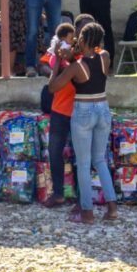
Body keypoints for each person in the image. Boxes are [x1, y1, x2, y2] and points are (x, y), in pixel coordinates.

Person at [49, 23, 117, 224]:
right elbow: (93, 57)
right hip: (103, 108)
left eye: (79, 38)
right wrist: (75, 54)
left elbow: (52, 87)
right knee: (100, 160)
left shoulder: (76, 68)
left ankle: (87, 212)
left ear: (84, 40)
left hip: (83, 111)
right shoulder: (105, 57)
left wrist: (58, 60)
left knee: (84, 164)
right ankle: (112, 208)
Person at [42, 23, 77, 208]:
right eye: (69, 38)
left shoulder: (85, 55)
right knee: (54, 152)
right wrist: (57, 59)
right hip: (59, 110)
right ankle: (58, 193)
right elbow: (44, 67)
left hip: (79, 111)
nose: (72, 42)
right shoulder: (57, 53)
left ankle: (82, 196)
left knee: (81, 155)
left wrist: (68, 58)